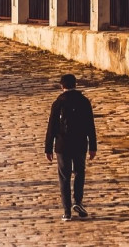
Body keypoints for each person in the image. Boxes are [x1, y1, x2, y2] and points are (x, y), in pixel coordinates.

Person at [45, 74, 97, 222]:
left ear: (62, 86)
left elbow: (51, 127)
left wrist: (48, 148)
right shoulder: (84, 101)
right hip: (80, 143)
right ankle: (78, 201)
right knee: (80, 172)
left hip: (62, 145)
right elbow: (90, 125)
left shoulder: (58, 103)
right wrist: (93, 146)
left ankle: (67, 211)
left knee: (64, 177)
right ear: (75, 85)